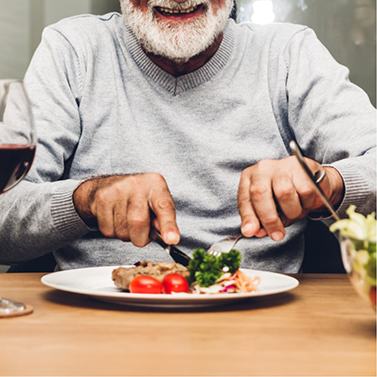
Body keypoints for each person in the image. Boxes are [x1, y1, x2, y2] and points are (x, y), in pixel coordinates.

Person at [0, 0, 375, 272]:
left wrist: (327, 183)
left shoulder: (290, 53)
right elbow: (4, 216)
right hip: (95, 321)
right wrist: (85, 199)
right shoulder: (72, 49)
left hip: (260, 320)